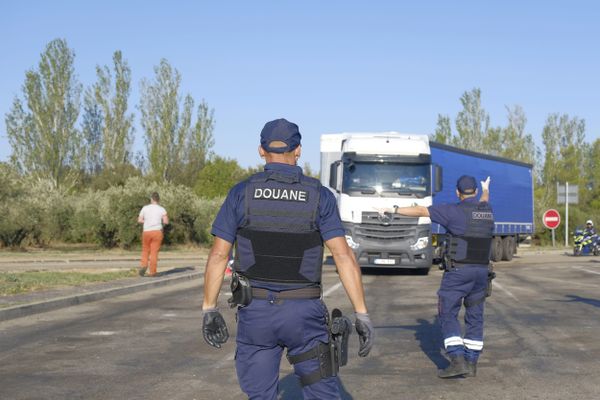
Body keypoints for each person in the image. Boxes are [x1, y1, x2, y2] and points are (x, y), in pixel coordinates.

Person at [201, 118, 374, 399]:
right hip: (304, 314)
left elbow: (219, 254)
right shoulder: (320, 196)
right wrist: (362, 313)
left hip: (256, 313)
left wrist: (209, 309)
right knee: (322, 394)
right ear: (298, 150)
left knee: (261, 395)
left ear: (261, 150)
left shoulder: (241, 193)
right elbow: (343, 256)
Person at [377, 175, 492, 378]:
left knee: (447, 312)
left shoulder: (452, 212)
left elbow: (421, 211)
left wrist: (393, 210)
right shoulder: (486, 211)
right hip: (482, 273)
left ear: (458, 192)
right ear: (474, 192)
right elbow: (484, 199)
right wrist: (485, 188)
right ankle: (472, 362)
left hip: (459, 272)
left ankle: (457, 360)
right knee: (475, 316)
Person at [137, 192, 168, 277]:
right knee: (154, 252)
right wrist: (160, 224)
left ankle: (143, 265)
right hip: (157, 232)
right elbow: (166, 221)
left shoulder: (145, 208)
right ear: (158, 199)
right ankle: (152, 272)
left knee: (145, 250)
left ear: (151, 199)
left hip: (146, 231)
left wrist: (147, 221)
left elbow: (139, 220)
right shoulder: (162, 209)